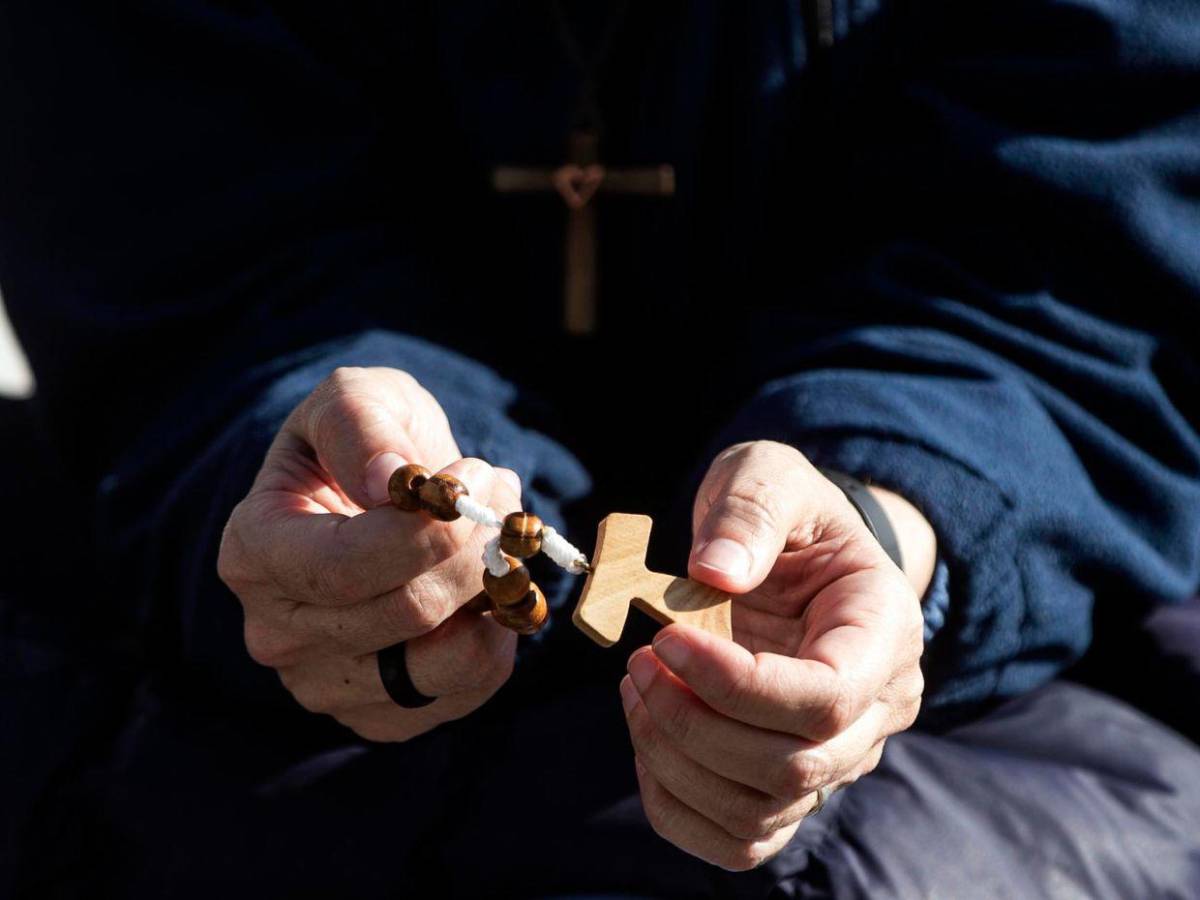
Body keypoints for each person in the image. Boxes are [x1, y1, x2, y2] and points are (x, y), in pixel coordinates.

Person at [1, 2, 1198, 897]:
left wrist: (899, 520)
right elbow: (187, 244)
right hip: (251, 685)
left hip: (1019, 656)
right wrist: (303, 478)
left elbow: (1089, 254)